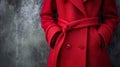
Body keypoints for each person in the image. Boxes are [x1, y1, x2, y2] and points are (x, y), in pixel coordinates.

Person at [40, 0, 119, 67]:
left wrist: (101, 37)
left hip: (92, 50)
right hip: (63, 43)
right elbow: (46, 15)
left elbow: (111, 17)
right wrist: (54, 35)